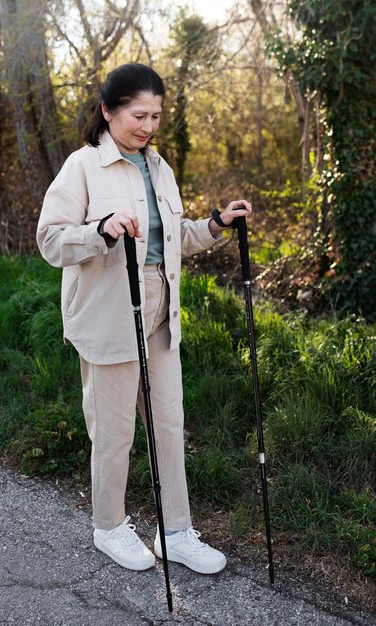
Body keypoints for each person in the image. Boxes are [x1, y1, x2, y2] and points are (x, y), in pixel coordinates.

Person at [36, 63, 252, 575]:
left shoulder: (159, 168)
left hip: (160, 311)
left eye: (155, 115)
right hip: (109, 313)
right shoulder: (83, 167)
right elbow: (50, 240)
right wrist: (101, 231)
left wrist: (215, 224)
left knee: (169, 425)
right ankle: (108, 526)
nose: (149, 126)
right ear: (108, 111)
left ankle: (175, 531)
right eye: (138, 115)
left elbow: (171, 238)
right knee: (114, 432)